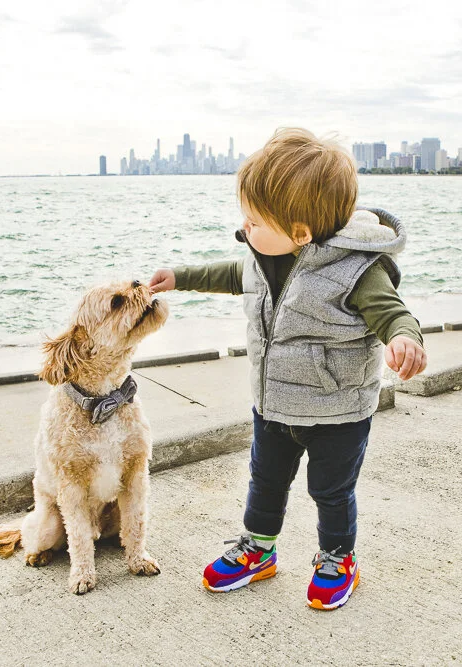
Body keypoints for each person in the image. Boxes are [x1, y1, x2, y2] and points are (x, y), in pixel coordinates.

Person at [148, 127, 427, 610]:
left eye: (254, 221)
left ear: (300, 232)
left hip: (337, 411)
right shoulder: (262, 257)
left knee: (331, 490)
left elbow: (391, 312)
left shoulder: (357, 269)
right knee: (265, 479)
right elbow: (229, 273)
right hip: (273, 403)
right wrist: (181, 277)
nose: (243, 229)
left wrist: (405, 337)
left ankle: (339, 558)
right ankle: (258, 549)